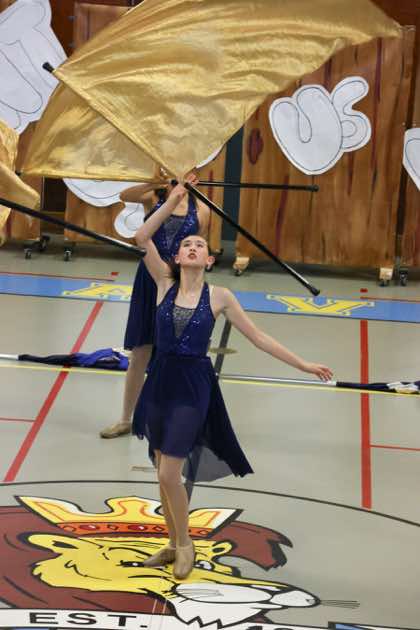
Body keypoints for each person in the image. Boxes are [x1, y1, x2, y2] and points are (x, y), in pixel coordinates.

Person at [132, 173, 333, 580]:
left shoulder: (220, 296)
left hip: (193, 387)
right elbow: (141, 237)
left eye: (199, 245)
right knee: (159, 468)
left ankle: (185, 545)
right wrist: (173, 198)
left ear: (209, 260)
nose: (192, 247)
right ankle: (171, 542)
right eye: (187, 245)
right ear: (177, 257)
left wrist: (303, 364)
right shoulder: (163, 282)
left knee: (170, 472)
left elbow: (259, 337)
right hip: (159, 382)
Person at [100, 170, 210, 438]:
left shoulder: (202, 208)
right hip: (149, 279)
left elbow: (199, 247)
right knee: (140, 350)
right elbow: (125, 195)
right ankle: (126, 418)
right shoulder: (153, 196)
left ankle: (171, 416)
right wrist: (155, 182)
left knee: (172, 352)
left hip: (177, 283)